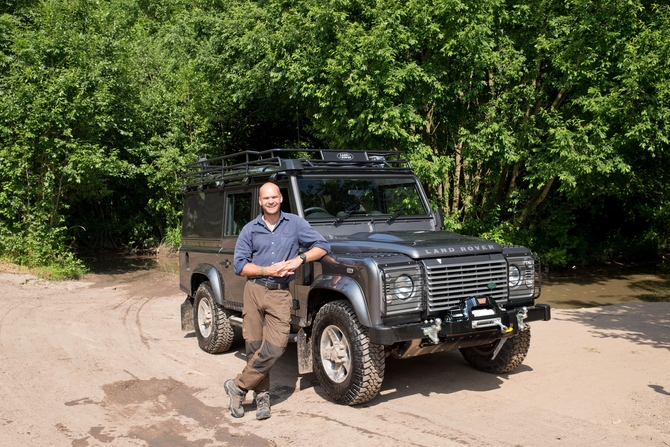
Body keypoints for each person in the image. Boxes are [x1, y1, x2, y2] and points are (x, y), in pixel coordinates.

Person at [225, 182, 330, 420]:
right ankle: (262, 398)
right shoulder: (249, 230)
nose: (270, 201)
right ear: (260, 202)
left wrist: (299, 260)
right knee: (254, 346)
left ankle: (238, 386)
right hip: (253, 291)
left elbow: (323, 245)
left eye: (274, 197)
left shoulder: (295, 224)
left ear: (280, 198)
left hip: (280, 293)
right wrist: (265, 270)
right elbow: (240, 266)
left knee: (276, 346)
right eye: (266, 198)